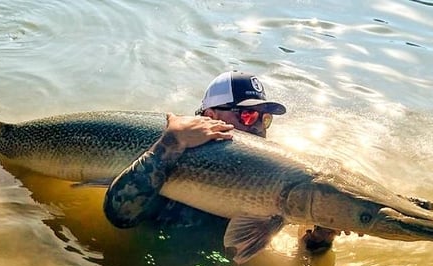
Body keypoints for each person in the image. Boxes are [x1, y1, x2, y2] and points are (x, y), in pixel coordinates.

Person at [103, 70, 334, 252]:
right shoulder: (174, 154)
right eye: (247, 115)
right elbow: (119, 214)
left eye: (264, 119)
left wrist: (318, 241)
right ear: (211, 116)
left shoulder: (271, 178)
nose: (257, 127)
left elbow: (256, 249)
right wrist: (171, 142)